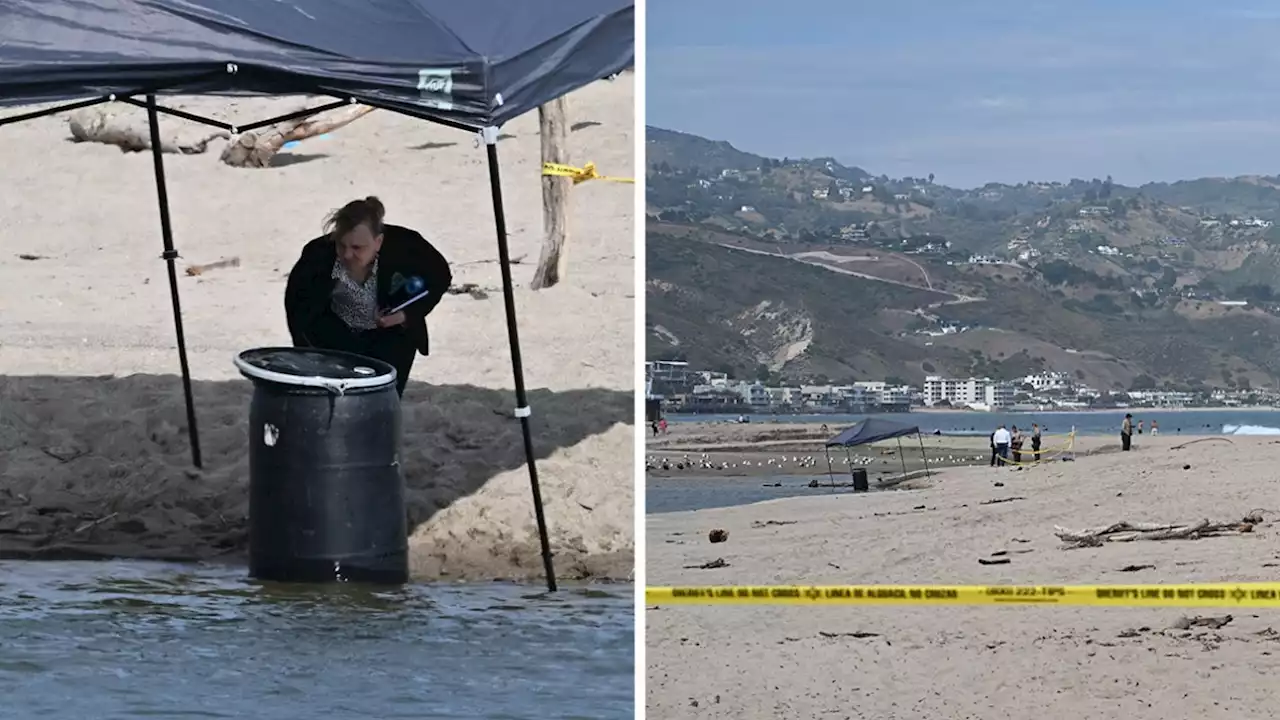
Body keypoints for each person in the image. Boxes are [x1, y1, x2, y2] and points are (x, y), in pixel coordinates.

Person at [284, 196, 452, 398]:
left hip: (391, 337)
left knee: (383, 400)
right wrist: (308, 353)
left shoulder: (407, 246)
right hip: (336, 336)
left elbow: (440, 276)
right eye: (341, 245)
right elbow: (297, 306)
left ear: (378, 242)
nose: (347, 255)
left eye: (357, 248)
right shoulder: (317, 255)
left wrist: (406, 314)